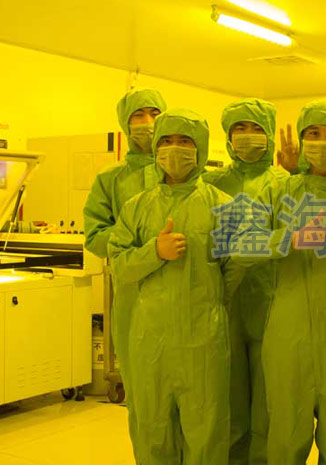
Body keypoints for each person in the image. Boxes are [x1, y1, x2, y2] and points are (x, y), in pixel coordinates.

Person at [232, 100, 326, 464]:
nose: (322, 142)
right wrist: (288, 239)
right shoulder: (277, 192)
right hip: (287, 337)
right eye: (313, 133)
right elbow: (238, 246)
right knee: (283, 436)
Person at [108, 108, 238, 465]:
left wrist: (207, 303)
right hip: (150, 339)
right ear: (155, 149)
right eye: (166, 141)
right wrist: (154, 252)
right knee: (152, 429)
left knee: (206, 430)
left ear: (200, 148)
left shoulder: (223, 207)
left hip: (204, 339)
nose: (174, 149)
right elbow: (119, 265)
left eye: (185, 141)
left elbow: (234, 271)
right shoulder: (137, 207)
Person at [203, 98, 288, 465]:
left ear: (269, 135)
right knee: (229, 400)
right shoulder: (211, 184)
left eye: (256, 128)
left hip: (273, 301)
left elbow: (301, 238)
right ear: (228, 135)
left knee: (270, 404)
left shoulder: (285, 183)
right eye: (240, 128)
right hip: (223, 302)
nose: (248, 136)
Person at [83, 87, 165, 429]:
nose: (147, 123)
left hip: (185, 290)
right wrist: (140, 248)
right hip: (133, 293)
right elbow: (94, 236)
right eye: (138, 116)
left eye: (154, 114)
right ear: (124, 124)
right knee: (143, 393)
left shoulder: (185, 173)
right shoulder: (110, 179)